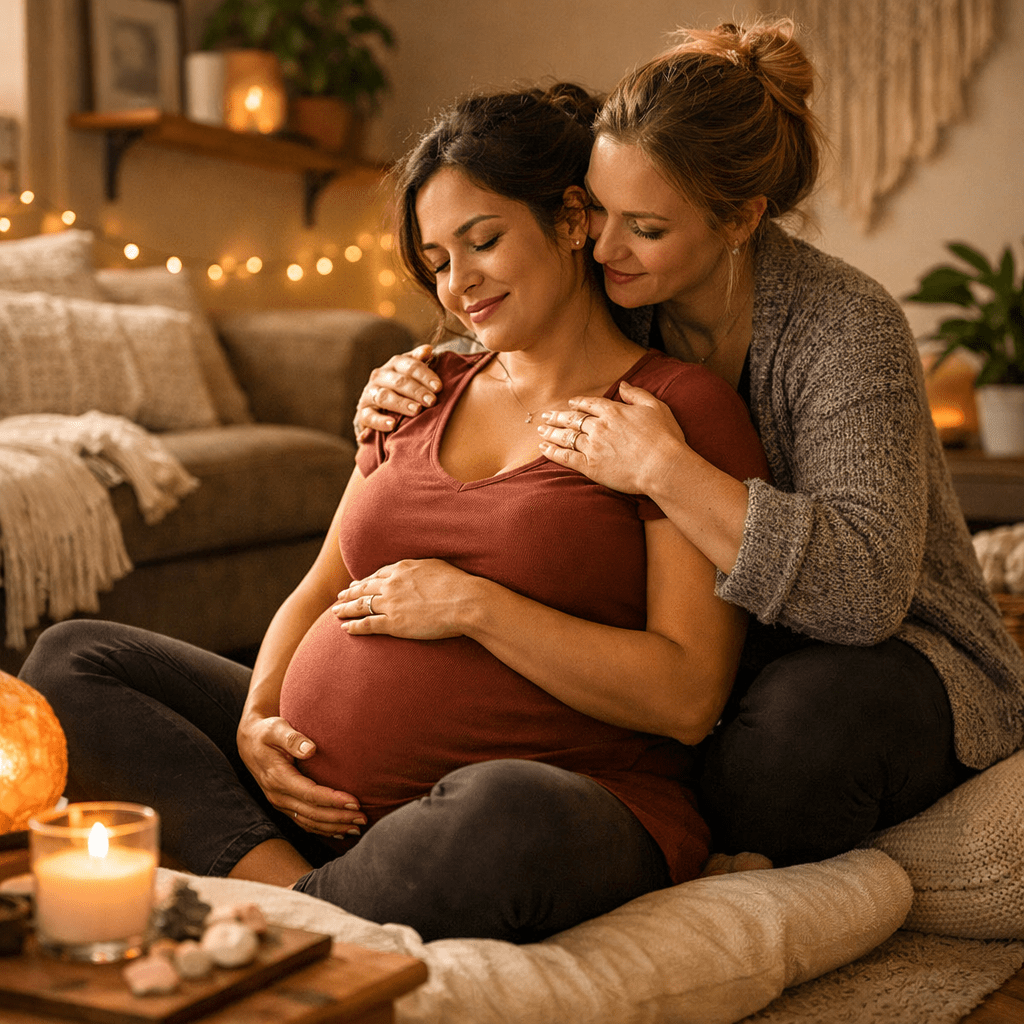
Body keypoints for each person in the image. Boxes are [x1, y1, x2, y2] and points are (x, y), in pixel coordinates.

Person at [22, 84, 769, 943]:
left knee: (503, 813)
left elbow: (686, 695)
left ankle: (283, 908)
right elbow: (317, 589)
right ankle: (300, 897)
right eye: (438, 260)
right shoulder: (418, 390)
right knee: (74, 660)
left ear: (571, 221)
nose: (460, 285)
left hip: (549, 799)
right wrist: (259, 716)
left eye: (483, 241)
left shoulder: (669, 411)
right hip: (318, 809)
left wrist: (474, 606)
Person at [354, 19, 1024, 867]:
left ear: (740, 218)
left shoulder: (845, 328)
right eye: (597, 210)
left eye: (646, 226)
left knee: (784, 751)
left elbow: (864, 599)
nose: (603, 245)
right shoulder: (621, 284)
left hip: (891, 653)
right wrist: (405, 385)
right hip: (718, 659)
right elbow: (516, 328)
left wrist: (665, 470)